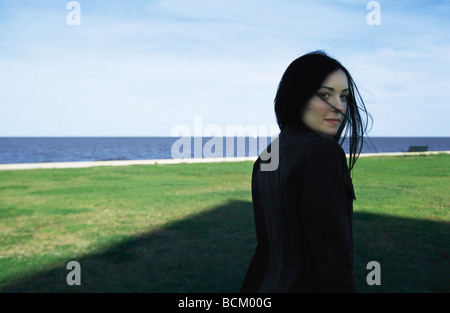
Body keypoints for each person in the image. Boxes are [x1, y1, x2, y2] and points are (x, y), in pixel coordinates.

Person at [240, 51, 369, 293]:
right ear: (298, 96)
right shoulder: (322, 152)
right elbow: (334, 263)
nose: (340, 108)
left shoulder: (268, 155)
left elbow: (265, 252)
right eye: (325, 95)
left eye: (344, 97)